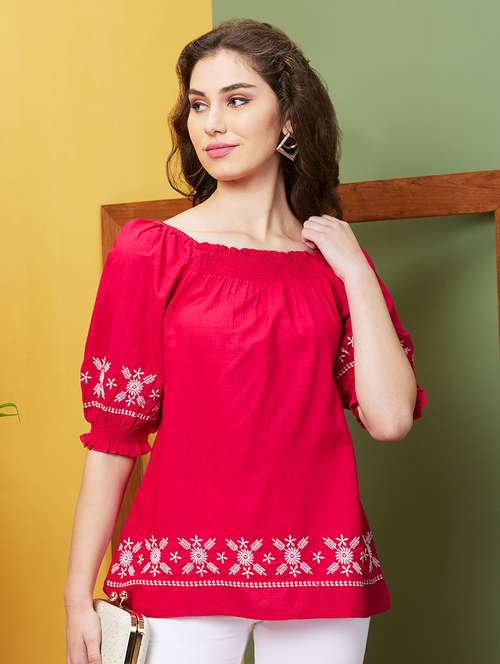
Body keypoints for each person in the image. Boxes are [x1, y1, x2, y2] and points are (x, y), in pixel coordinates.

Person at [64, 17, 427, 664]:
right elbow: (115, 437)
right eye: (198, 105)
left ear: (288, 117)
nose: (212, 124)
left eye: (236, 100)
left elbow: (391, 417)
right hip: (178, 569)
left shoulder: (333, 265)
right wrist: (76, 596)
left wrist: (354, 268)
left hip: (322, 568)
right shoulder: (152, 253)